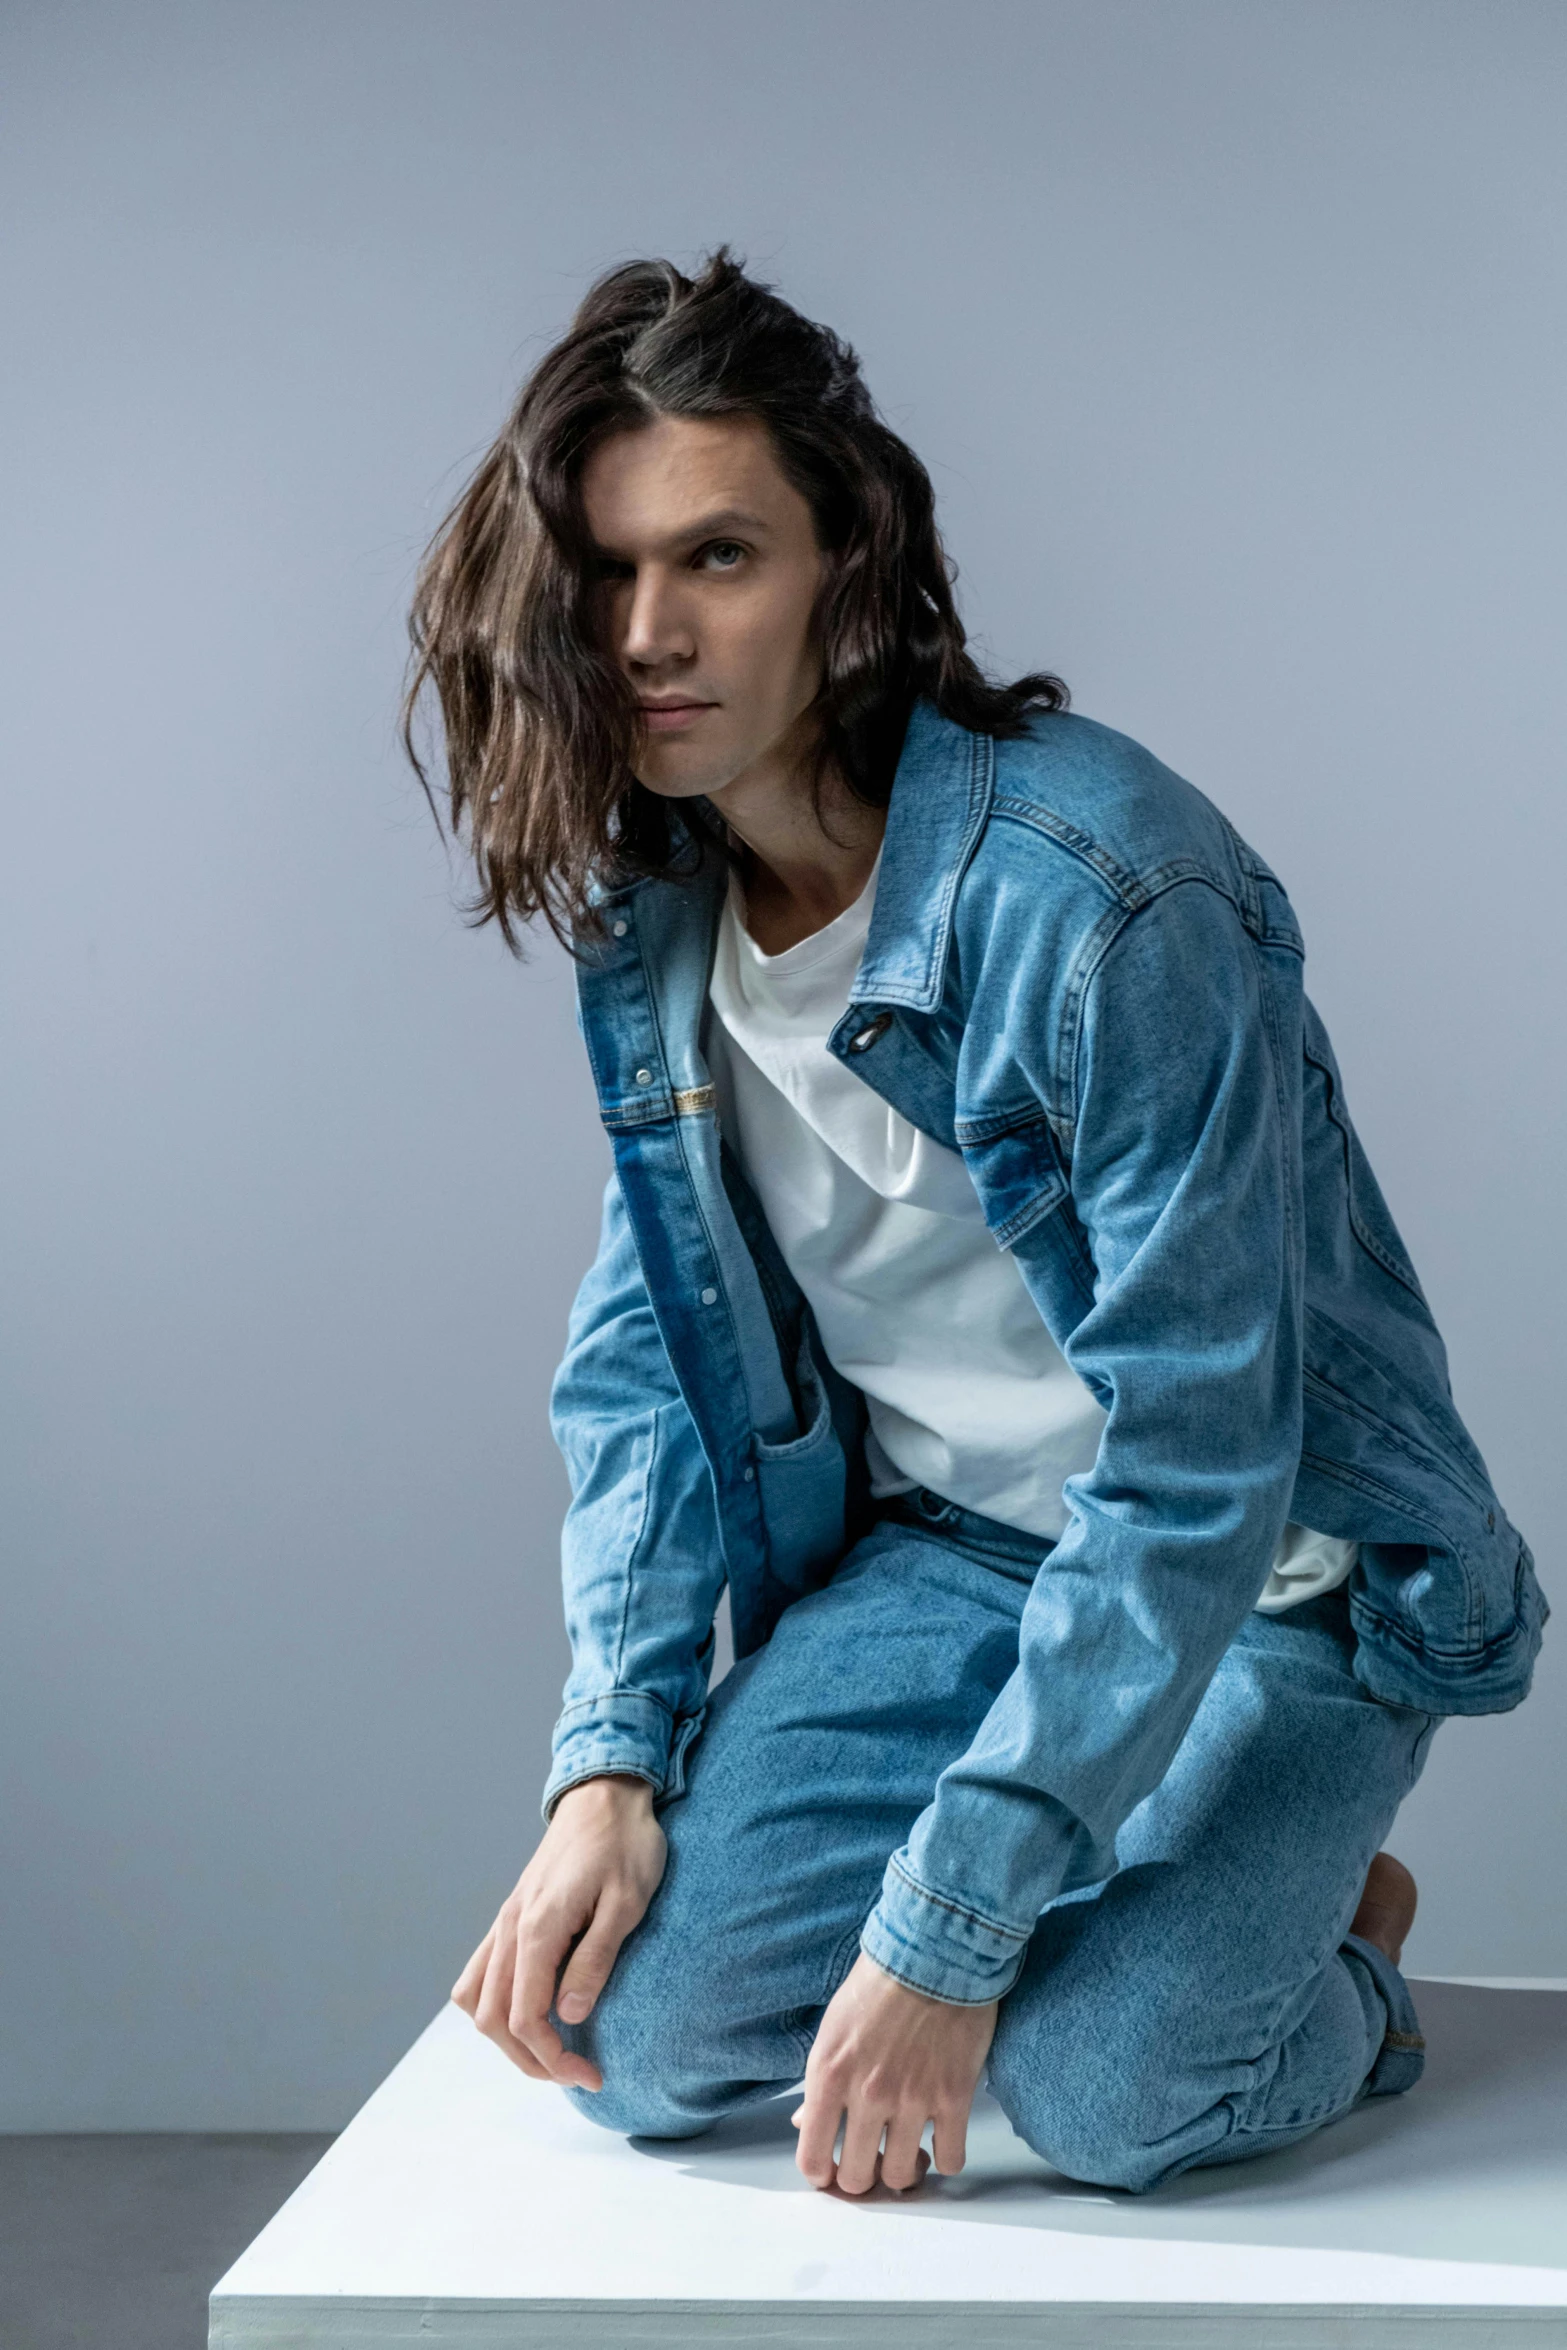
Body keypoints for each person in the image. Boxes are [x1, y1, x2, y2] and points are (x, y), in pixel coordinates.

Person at [407, 252, 1544, 2198]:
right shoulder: (658, 917)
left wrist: (943, 1935)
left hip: (1271, 1569)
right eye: (607, 574)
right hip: (963, 1551)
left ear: (850, 571)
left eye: (723, 557)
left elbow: (1198, 1459)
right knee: (645, 2045)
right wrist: (607, 1751)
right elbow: (645, 1357)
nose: (652, 634)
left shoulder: (1105, 893)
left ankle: (1336, 1961)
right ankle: (1135, 1859)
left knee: (1109, 2094)